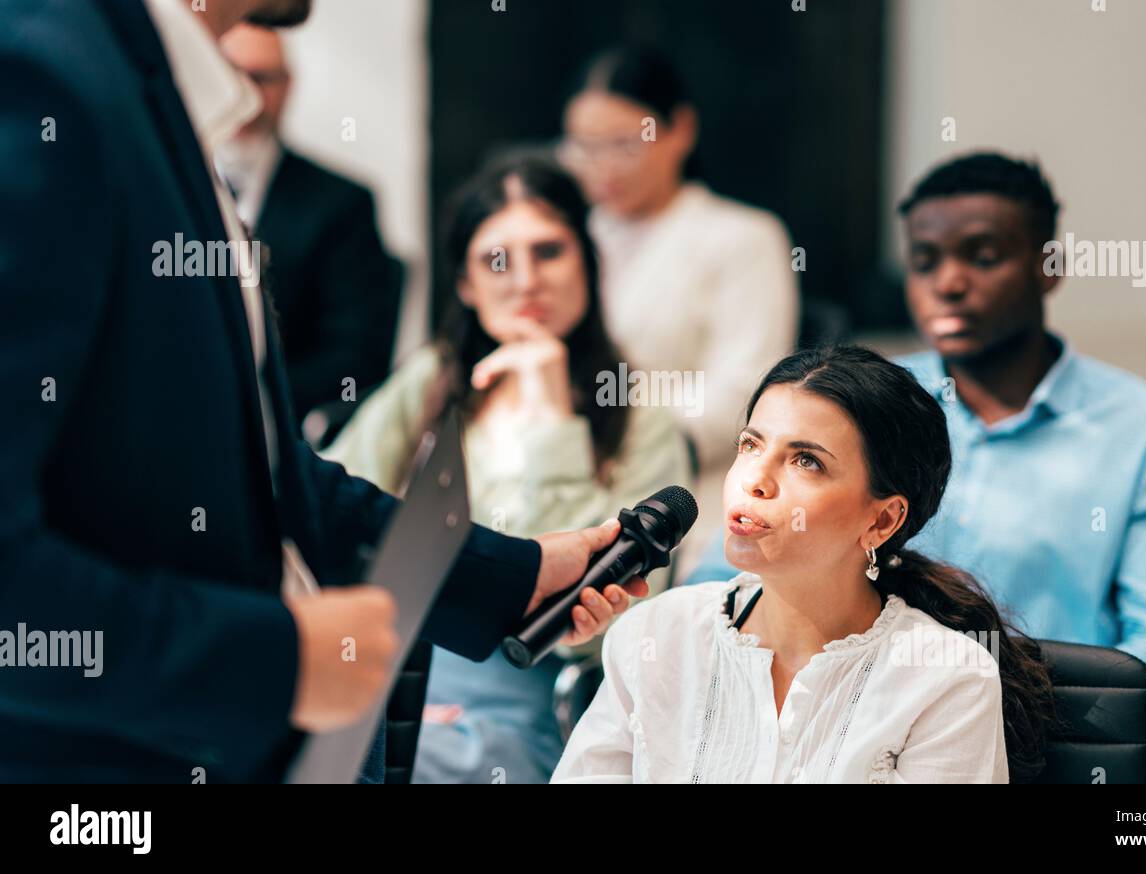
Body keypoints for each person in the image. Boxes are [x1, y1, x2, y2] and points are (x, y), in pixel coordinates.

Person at [0, 0, 639, 782]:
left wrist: (510, 572)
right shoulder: (41, 77)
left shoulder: (160, 103)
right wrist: (279, 661)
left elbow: (267, 475)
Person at [686, 152, 1146, 735]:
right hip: (832, 739)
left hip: (1049, 753)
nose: (947, 282)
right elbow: (722, 585)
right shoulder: (855, 407)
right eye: (924, 261)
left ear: (1049, 266)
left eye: (984, 256)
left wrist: (961, 699)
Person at [324, 155, 691, 783]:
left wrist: (550, 414)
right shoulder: (433, 383)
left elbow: (602, 625)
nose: (526, 281)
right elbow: (329, 508)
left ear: (588, 263)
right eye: (497, 259)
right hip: (380, 669)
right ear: (465, 284)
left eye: (549, 251)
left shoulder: (639, 419)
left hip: (524, 697)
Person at [552, 346, 1056, 783]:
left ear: (882, 521)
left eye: (805, 461)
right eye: (750, 445)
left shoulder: (947, 677)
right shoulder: (655, 633)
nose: (755, 480)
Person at [558, 44, 799, 566]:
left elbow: (748, 386)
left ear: (680, 131)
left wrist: (637, 446)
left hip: (688, 497)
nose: (600, 166)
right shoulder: (566, 240)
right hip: (564, 481)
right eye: (582, 146)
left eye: (623, 144)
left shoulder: (741, 237)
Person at [217, 24, 401, 436]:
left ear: (288, 86)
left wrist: (249, 403)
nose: (245, 94)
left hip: (289, 429)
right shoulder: (170, 184)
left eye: (261, 77)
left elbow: (357, 356)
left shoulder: (342, 203)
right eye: (229, 73)